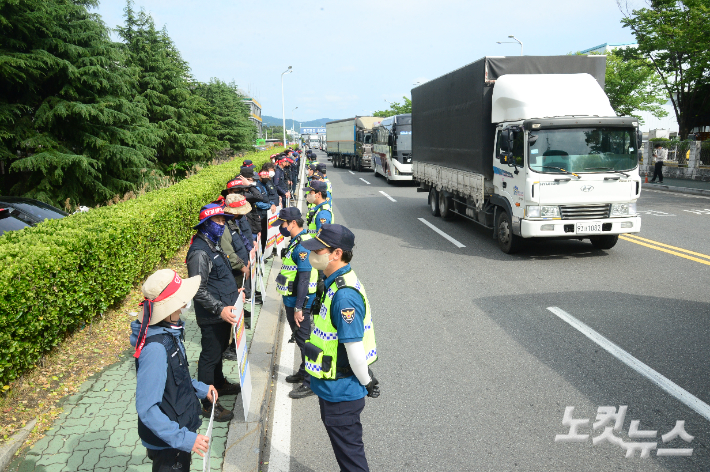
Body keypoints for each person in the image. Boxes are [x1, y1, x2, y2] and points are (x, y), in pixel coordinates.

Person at [301, 224, 380, 472]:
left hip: (341, 391)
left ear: (336, 253)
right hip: (332, 386)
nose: (314, 254)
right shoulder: (332, 281)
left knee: (351, 458)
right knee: (346, 453)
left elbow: (354, 347)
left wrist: (367, 381)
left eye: (319, 250)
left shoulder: (344, 296)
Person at [131, 269, 218, 472]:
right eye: (180, 303)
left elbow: (177, 376)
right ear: (166, 309)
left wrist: (200, 389)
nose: (183, 307)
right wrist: (185, 439)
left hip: (175, 431)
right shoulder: (155, 349)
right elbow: (147, 409)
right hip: (168, 442)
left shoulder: (168, 332)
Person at [186, 204, 242, 422]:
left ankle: (219, 383)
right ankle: (208, 404)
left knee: (218, 351)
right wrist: (220, 309)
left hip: (224, 312)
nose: (222, 224)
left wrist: (234, 292)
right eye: (218, 221)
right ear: (205, 224)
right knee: (209, 357)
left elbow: (220, 276)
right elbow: (197, 290)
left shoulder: (213, 244)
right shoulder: (200, 252)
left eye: (223, 221)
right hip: (213, 315)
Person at [271, 207, 318, 399]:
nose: (281, 227)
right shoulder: (296, 242)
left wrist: (299, 307)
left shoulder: (303, 246)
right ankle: (303, 370)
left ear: (292, 223)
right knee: (300, 338)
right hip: (291, 299)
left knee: (304, 340)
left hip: (300, 303)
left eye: (283, 223)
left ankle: (310, 382)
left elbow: (305, 279)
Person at [220, 194, 252, 334]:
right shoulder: (224, 227)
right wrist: (242, 265)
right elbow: (229, 253)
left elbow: (241, 239)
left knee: (238, 300)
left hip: (239, 273)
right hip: (233, 272)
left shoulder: (232, 222)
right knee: (232, 303)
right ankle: (232, 340)